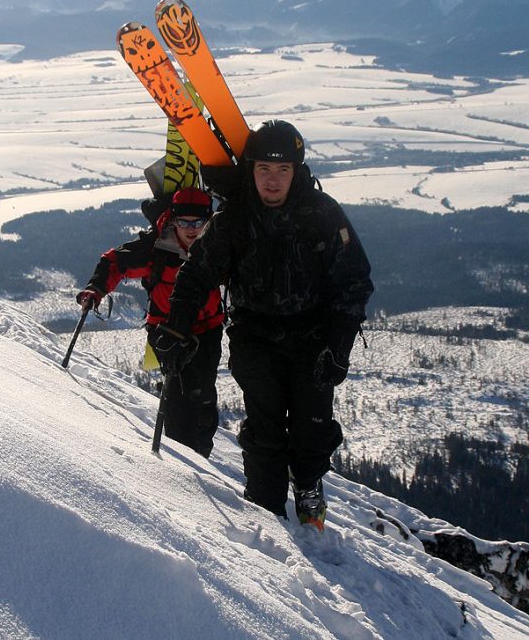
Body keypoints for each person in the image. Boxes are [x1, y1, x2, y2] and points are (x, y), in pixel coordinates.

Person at [154, 121, 373, 528]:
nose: (273, 181)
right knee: (265, 431)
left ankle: (308, 484)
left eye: (283, 171)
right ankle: (265, 512)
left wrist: (339, 345)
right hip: (256, 339)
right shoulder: (235, 219)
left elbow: (355, 281)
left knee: (311, 429)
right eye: (264, 171)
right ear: (251, 170)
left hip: (314, 339)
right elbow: (196, 274)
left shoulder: (323, 215)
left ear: (297, 171)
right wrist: (175, 328)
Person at [77, 187, 223, 458]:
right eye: (184, 222)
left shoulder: (217, 245)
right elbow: (115, 262)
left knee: (202, 393)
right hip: (165, 329)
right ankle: (183, 453)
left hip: (206, 329)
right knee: (179, 395)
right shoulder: (155, 246)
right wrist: (95, 289)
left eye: (198, 223)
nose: (191, 230)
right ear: (173, 220)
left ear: (208, 221)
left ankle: (201, 453)